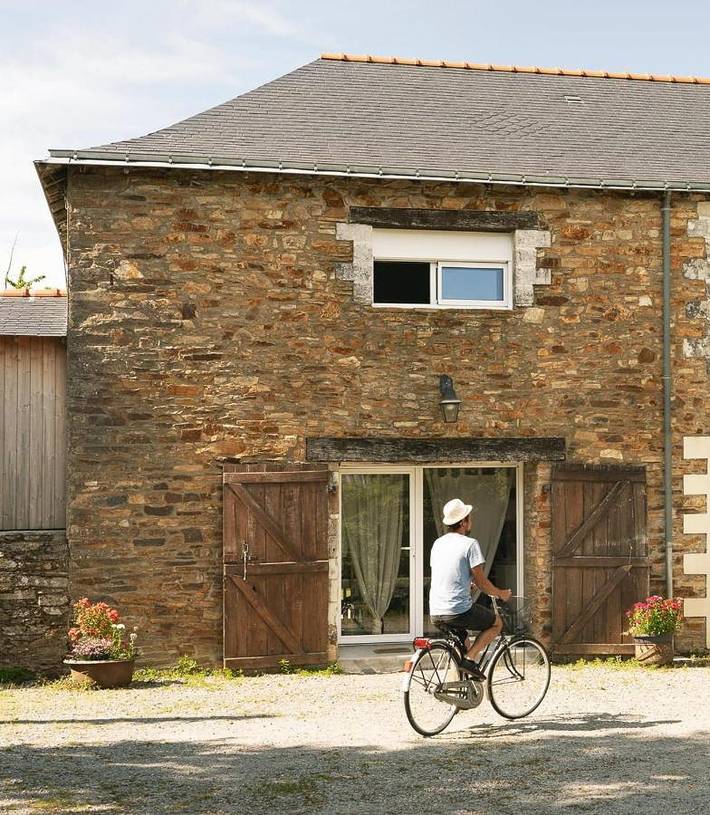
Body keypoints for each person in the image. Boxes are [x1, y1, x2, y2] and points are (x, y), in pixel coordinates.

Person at [429, 498, 512, 680]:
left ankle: (461, 686)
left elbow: (447, 573)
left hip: (436, 611)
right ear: (463, 522)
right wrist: (501, 593)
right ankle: (470, 659)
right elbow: (483, 583)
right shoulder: (470, 544)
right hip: (458, 610)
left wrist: (467, 584)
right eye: (469, 518)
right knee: (497, 623)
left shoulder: (438, 544)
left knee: (463, 642)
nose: (471, 522)